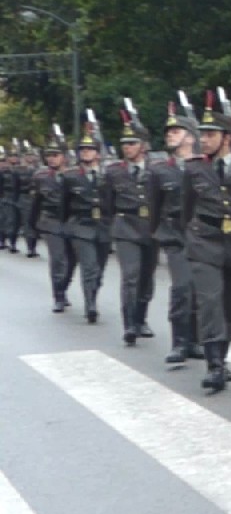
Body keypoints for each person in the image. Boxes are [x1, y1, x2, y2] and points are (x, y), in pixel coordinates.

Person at [181, 101, 231, 393]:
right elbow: (186, 208)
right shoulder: (194, 168)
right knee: (209, 301)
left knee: (230, 306)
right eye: (203, 134)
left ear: (226, 137)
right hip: (204, 240)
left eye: (211, 135)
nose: (204, 140)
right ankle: (213, 364)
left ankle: (222, 355)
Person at [147, 105, 202, 364]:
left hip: (201, 235)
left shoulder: (202, 166)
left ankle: (195, 340)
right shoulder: (159, 170)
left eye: (176, 131)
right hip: (175, 236)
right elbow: (154, 208)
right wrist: (156, 236)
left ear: (190, 137)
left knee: (199, 290)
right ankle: (179, 342)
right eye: (168, 131)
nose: (170, 135)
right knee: (181, 287)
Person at [101, 113, 160, 345]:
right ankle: (129, 325)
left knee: (147, 277)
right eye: (124, 143)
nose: (127, 147)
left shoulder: (157, 170)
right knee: (130, 276)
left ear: (144, 146)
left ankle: (141, 317)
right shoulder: (114, 172)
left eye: (132, 143)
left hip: (151, 228)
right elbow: (107, 204)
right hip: (125, 227)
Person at [58, 128, 112, 324]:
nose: (85, 153)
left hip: (103, 227)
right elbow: (63, 205)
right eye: (82, 150)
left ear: (97, 153)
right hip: (80, 226)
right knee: (89, 267)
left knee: (99, 269)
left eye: (90, 150)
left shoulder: (108, 176)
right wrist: (65, 227)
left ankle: (93, 295)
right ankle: (90, 304)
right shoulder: (71, 177)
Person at [28, 136, 77, 312]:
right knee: (58, 259)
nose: (52, 158)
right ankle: (58, 295)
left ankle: (64, 287)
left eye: (55, 154)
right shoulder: (41, 177)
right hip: (51, 221)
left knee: (72, 260)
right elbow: (36, 204)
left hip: (72, 222)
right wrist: (32, 225)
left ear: (64, 156)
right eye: (49, 155)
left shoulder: (74, 175)